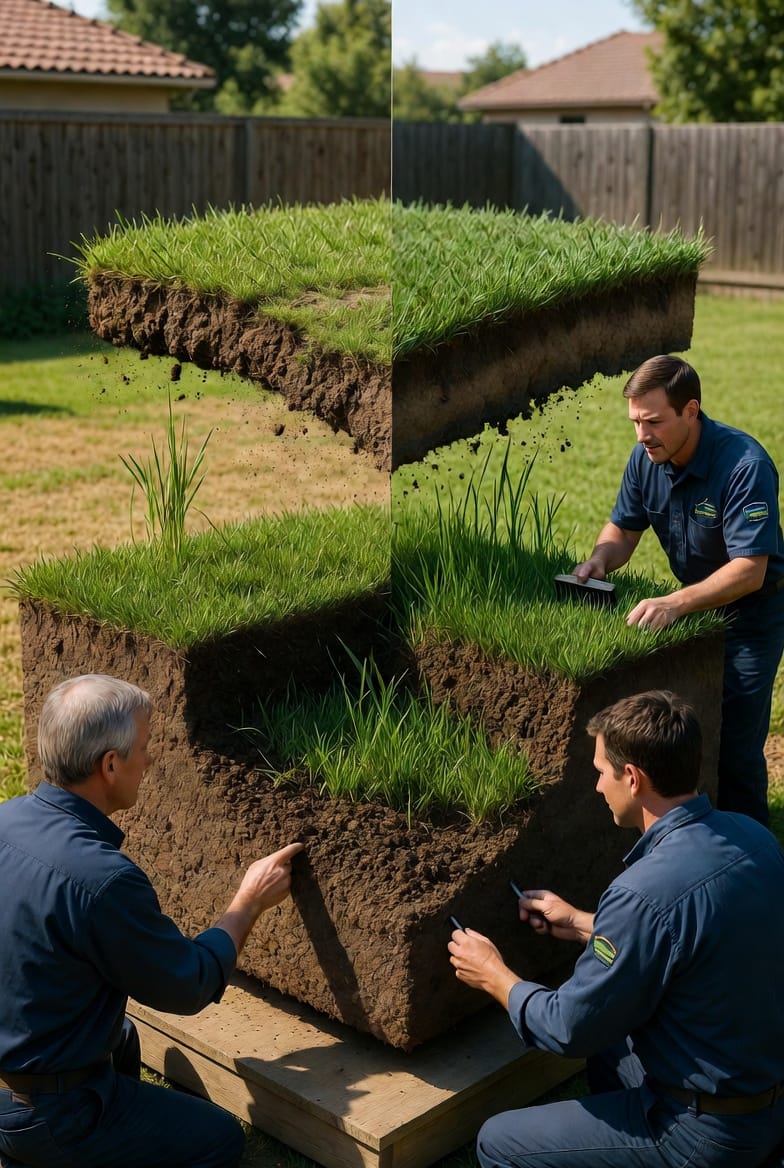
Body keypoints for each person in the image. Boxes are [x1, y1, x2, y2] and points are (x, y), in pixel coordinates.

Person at [448, 690, 784, 1168]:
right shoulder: (753, 837)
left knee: (498, 1140)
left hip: (706, 1135)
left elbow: (569, 1027)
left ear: (632, 778)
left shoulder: (642, 892)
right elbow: (693, 935)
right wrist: (586, 923)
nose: (597, 786)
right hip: (763, 1098)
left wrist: (495, 976)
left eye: (601, 772)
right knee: (612, 1046)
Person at [0, 673, 304, 1168]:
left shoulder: (5, 819)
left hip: (14, 1076)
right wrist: (247, 902)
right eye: (145, 746)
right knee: (218, 1139)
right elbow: (187, 985)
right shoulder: (101, 880)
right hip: (48, 1114)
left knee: (123, 1039)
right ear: (111, 765)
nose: (151, 760)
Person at [572, 354, 784, 825]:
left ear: (691, 410)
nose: (642, 435)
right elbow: (623, 530)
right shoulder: (646, 458)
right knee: (691, 733)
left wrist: (676, 601)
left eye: (653, 421)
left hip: (751, 617)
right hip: (695, 611)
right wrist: (601, 559)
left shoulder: (744, 466)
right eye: (635, 422)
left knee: (735, 744)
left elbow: (751, 569)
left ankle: (753, 855)